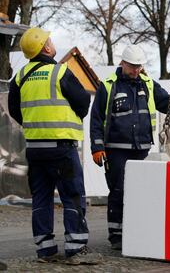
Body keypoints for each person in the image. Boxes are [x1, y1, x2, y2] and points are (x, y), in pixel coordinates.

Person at [90, 44, 170, 250]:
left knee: (140, 192)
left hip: (142, 148)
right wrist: (97, 146)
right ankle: (117, 235)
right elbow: (96, 119)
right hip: (116, 149)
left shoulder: (147, 84)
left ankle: (136, 231)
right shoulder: (108, 86)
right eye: (132, 66)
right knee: (119, 190)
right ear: (122, 63)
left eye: (139, 66)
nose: (136, 70)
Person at [8, 27, 101, 265]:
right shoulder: (60, 72)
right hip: (62, 149)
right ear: (45, 48)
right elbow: (82, 102)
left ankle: (45, 250)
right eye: (49, 40)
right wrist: (70, 119)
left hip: (35, 149)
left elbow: (15, 112)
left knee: (41, 197)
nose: (52, 42)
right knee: (72, 196)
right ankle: (76, 247)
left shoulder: (19, 77)